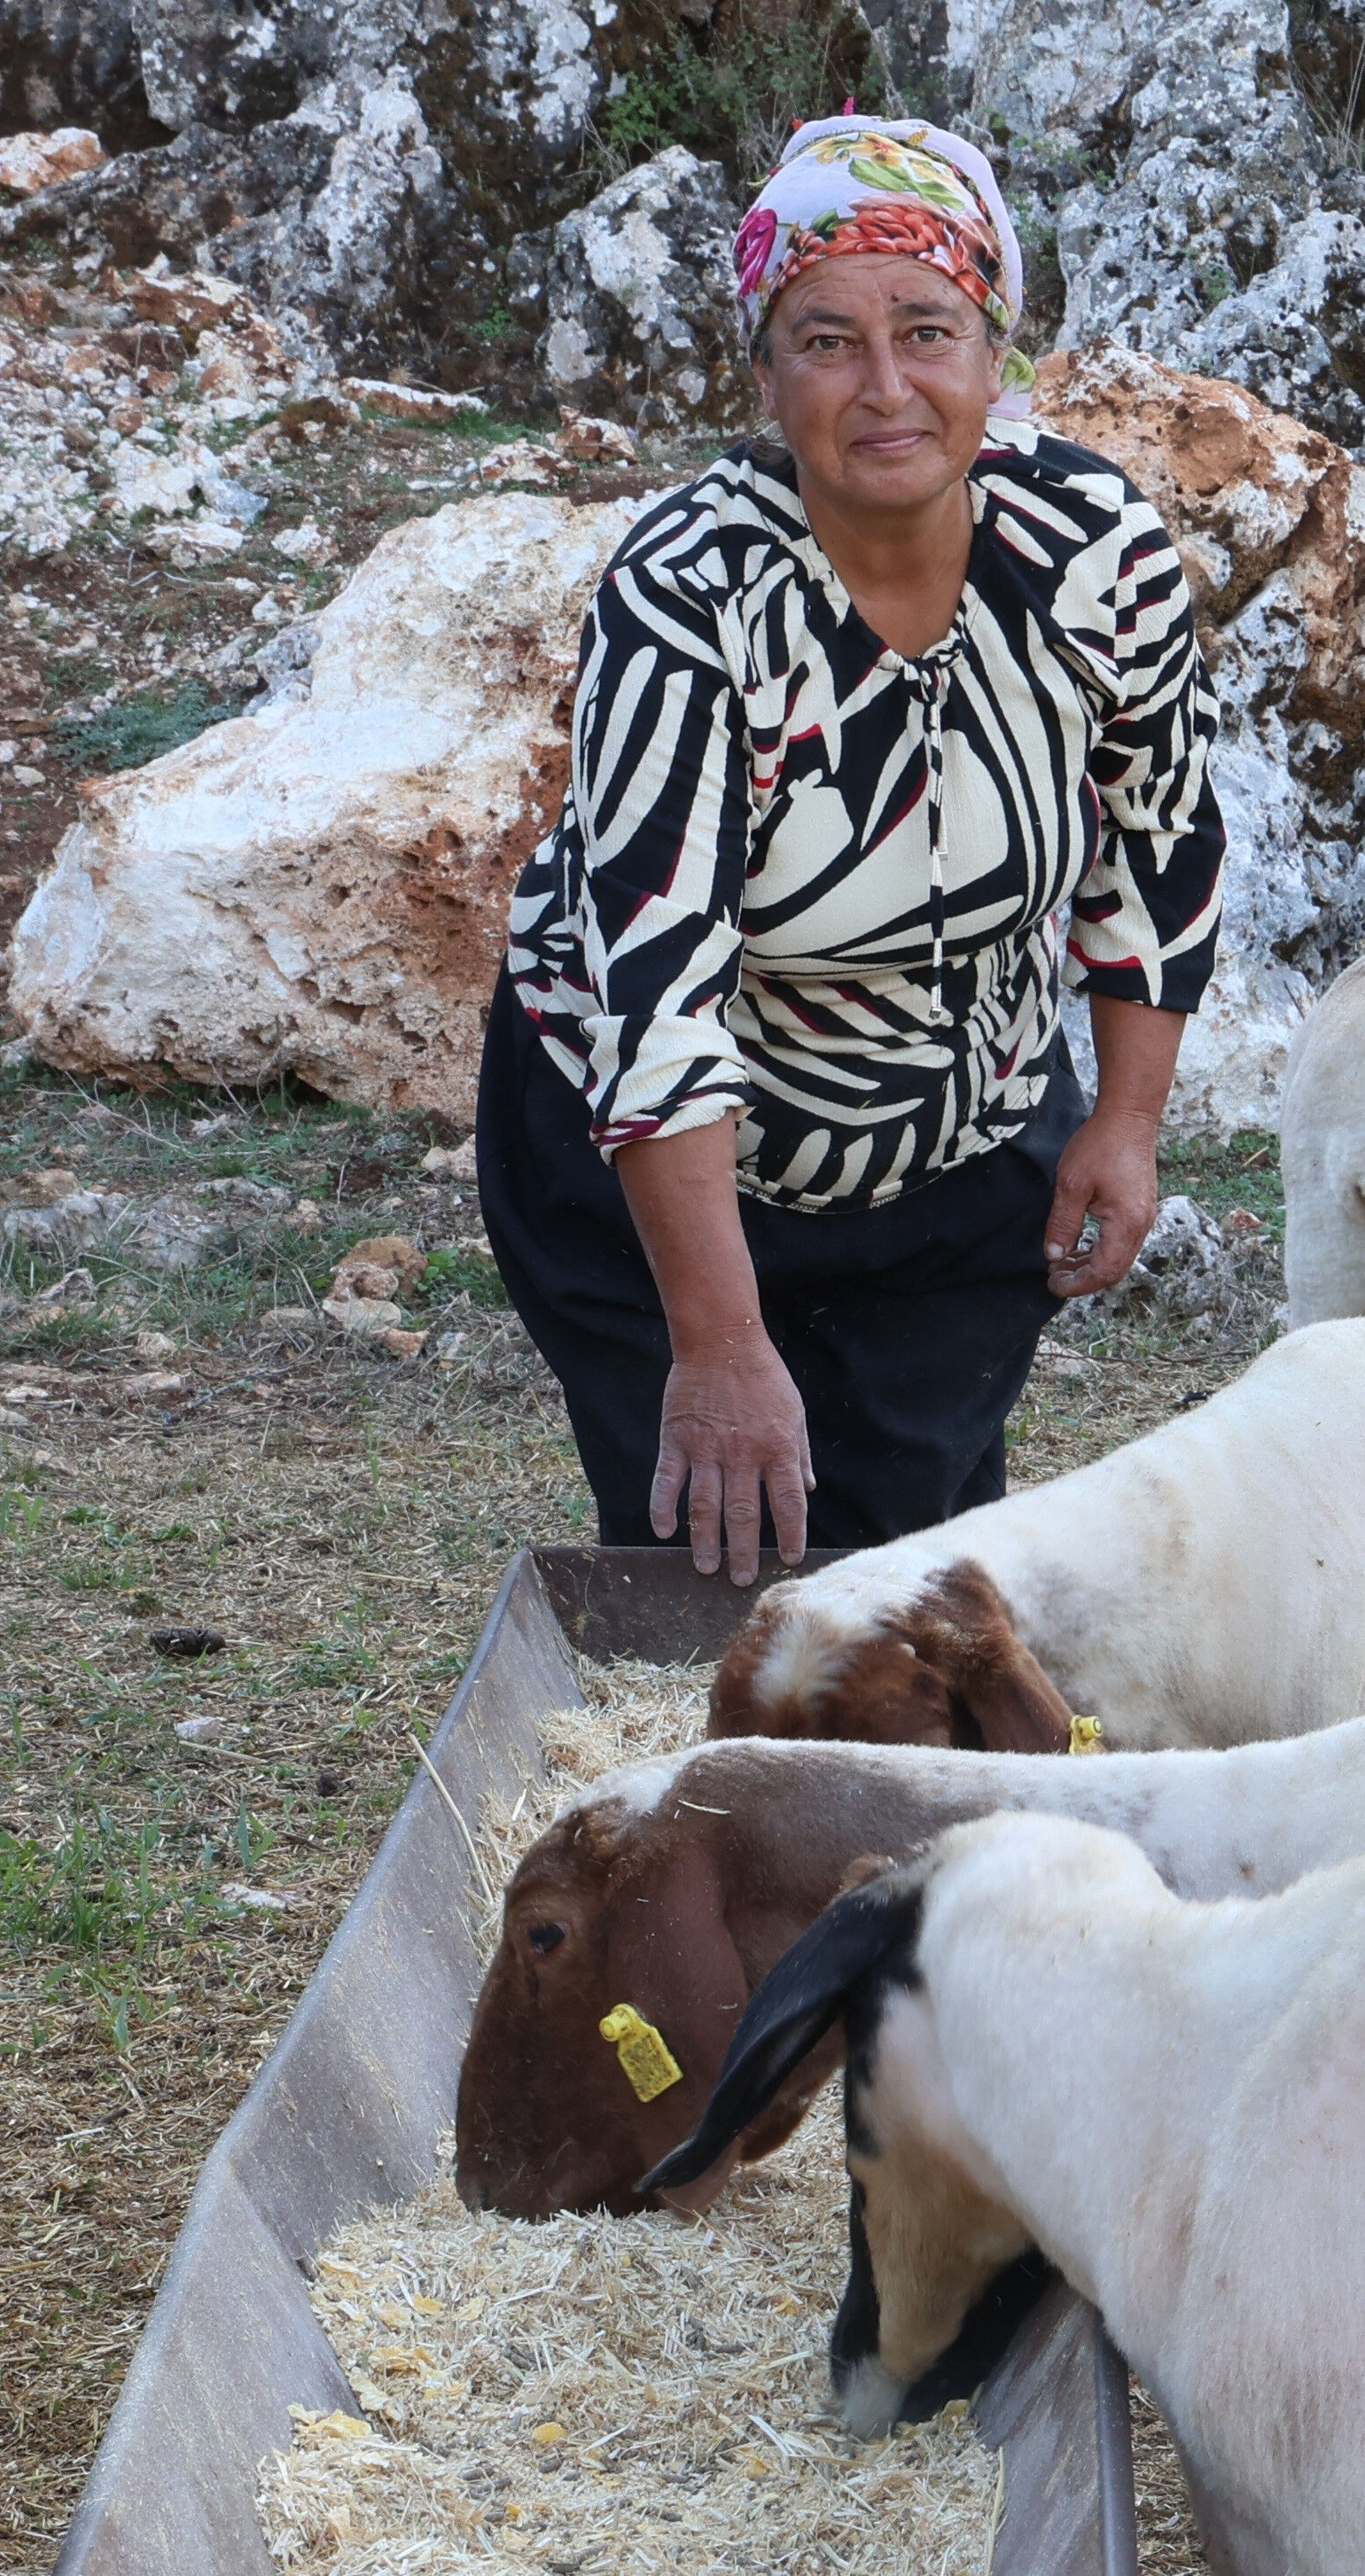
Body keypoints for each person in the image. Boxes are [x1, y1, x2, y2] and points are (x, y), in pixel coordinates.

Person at [479, 114, 1220, 1578]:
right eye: (827, 340)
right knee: (718, 1567)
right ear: (765, 377)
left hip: (961, 1145)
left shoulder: (1094, 555)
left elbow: (1159, 842)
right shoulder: (693, 599)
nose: (887, 388)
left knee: (915, 1570)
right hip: (658, 1170)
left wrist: (1125, 1119)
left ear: (994, 350)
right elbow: (654, 988)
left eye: (928, 329)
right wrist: (720, 1340)